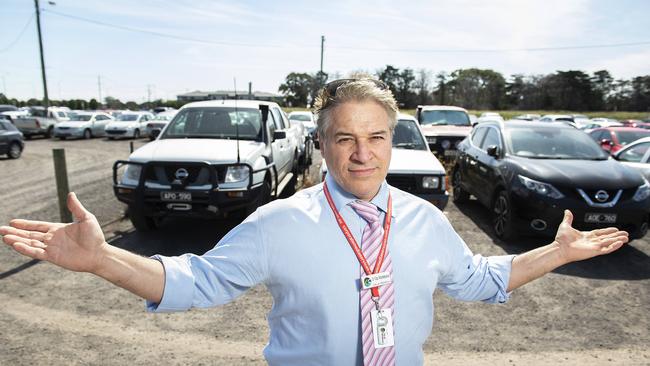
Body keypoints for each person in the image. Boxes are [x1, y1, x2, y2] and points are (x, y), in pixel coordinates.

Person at [0, 79, 628, 366]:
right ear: (321, 146)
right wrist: (103, 257)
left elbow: (481, 278)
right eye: (346, 138)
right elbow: (194, 281)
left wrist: (559, 253)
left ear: (392, 141)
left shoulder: (424, 221)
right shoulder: (278, 222)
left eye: (377, 136)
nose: (363, 153)